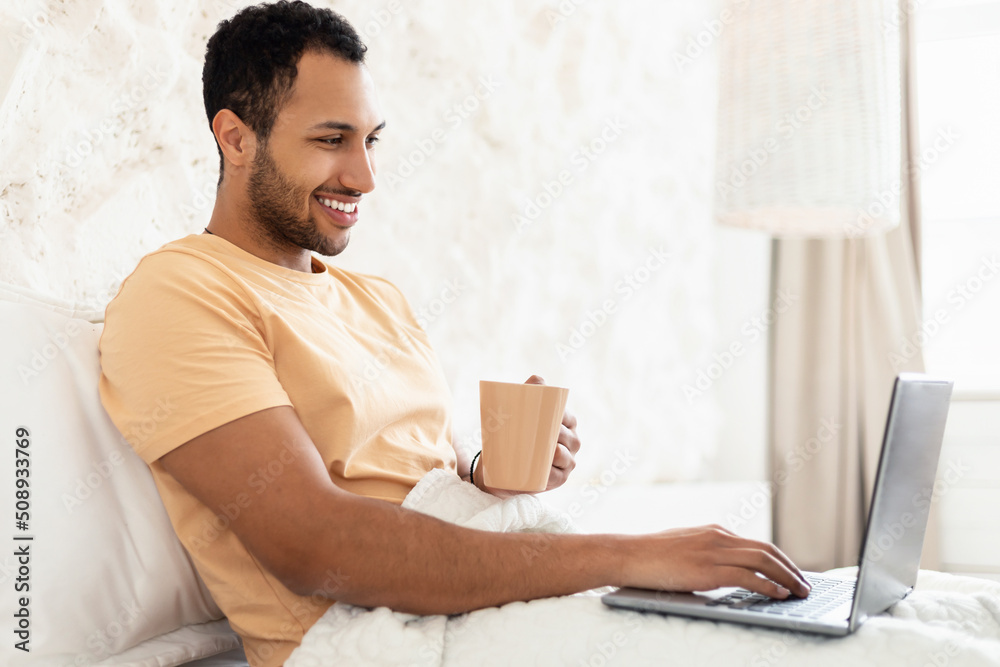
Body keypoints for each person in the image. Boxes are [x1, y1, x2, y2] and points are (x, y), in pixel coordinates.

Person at [97, 2, 810, 666]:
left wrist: (484, 473)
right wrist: (631, 555)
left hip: (472, 600)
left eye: (371, 140)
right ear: (235, 137)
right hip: (369, 633)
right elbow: (314, 544)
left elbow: (411, 485)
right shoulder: (180, 293)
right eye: (331, 140)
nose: (366, 176)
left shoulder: (373, 298)